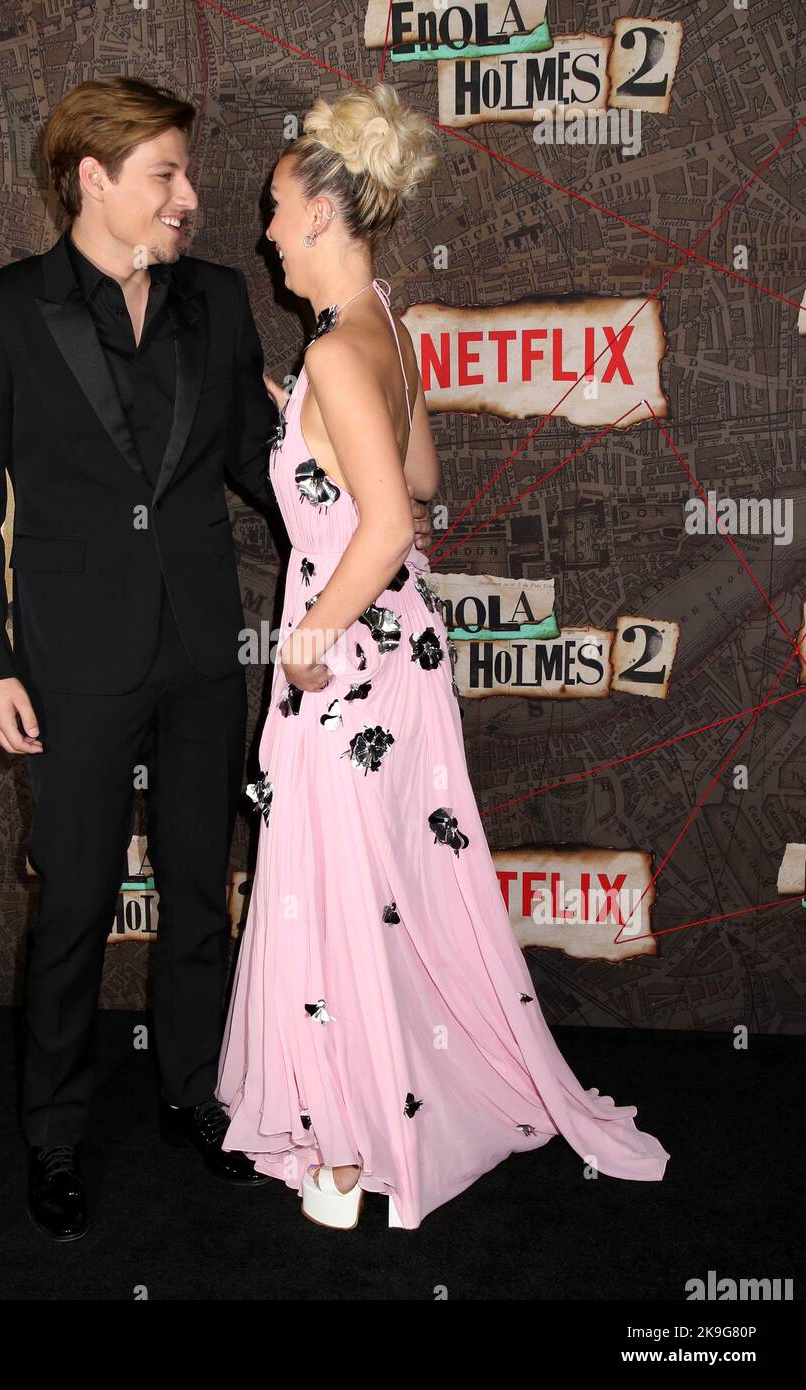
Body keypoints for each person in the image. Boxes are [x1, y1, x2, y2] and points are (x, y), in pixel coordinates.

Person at [0, 76, 432, 1241]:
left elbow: (260, 466)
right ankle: (54, 1137)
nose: (191, 200)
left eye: (190, 174)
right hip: (69, 667)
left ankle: (196, 1097)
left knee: (205, 895)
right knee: (74, 908)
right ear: (92, 178)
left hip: (207, 656)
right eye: (164, 174)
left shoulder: (214, 299)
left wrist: (340, 446)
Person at [215, 82, 670, 1230]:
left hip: (350, 656)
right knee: (389, 890)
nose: (263, 228)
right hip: (401, 648)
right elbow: (413, 483)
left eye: (273, 205)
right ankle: (384, 1110)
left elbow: (380, 522)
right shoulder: (380, 322)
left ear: (322, 210)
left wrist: (307, 643)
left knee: (338, 891)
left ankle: (350, 1142)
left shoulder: (335, 353)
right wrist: (305, 425)